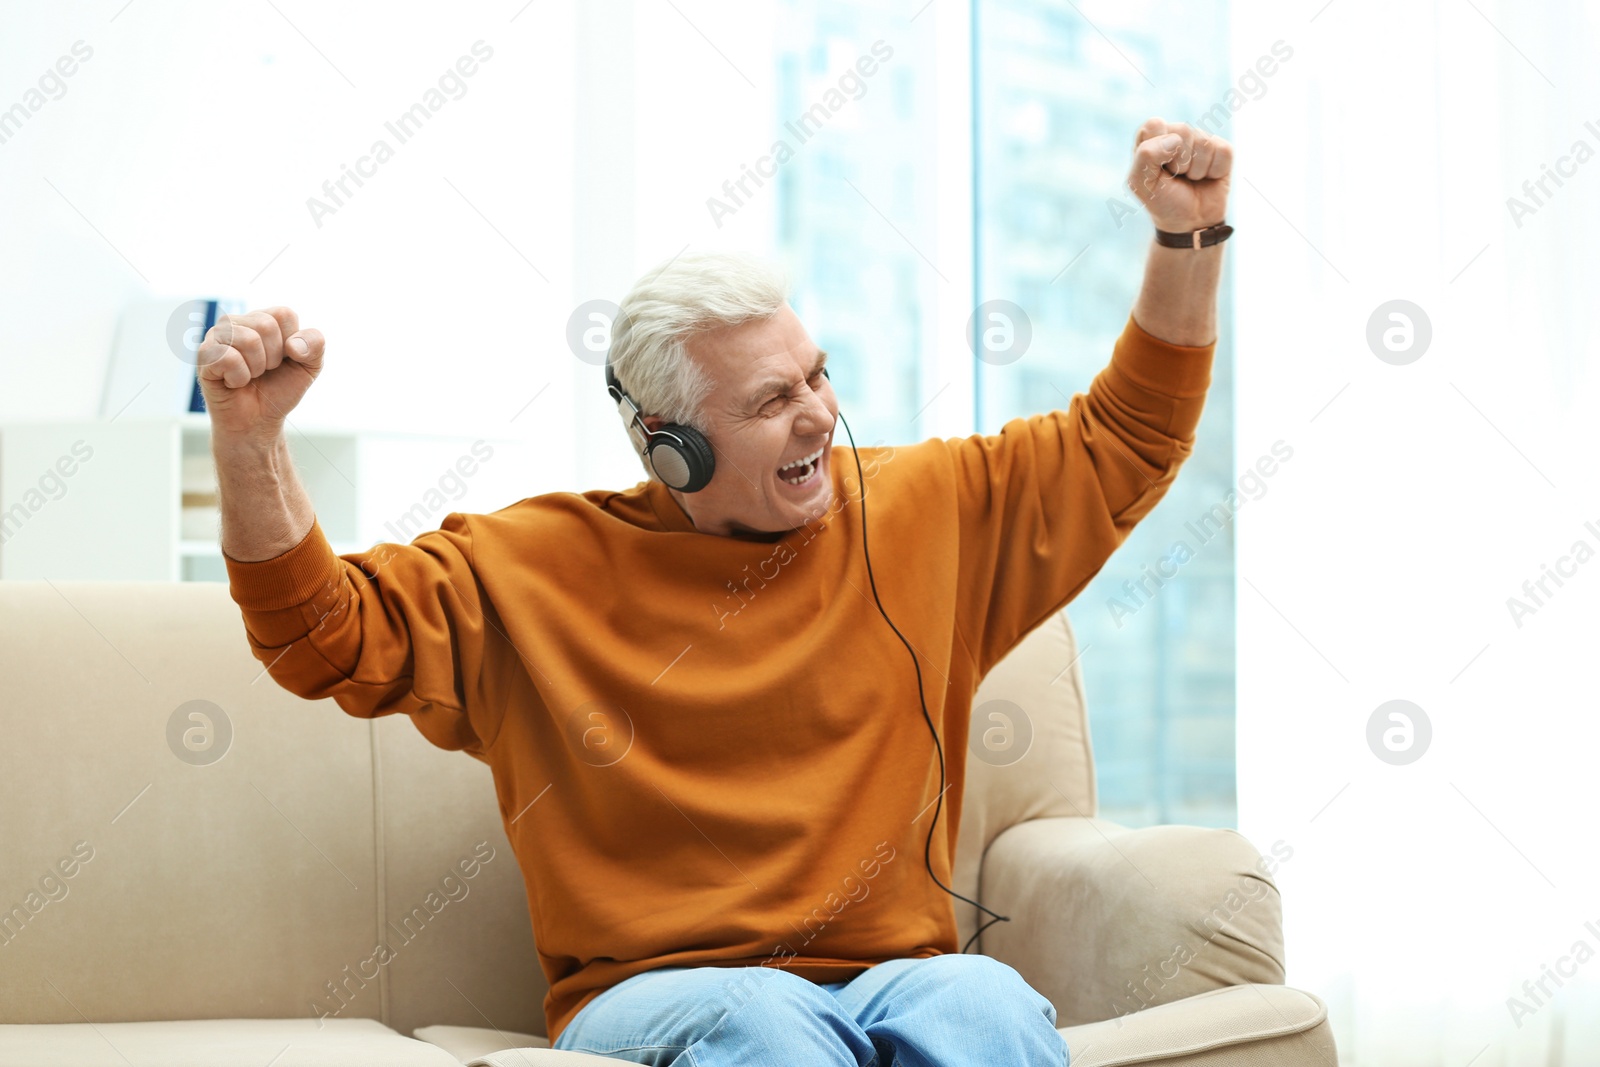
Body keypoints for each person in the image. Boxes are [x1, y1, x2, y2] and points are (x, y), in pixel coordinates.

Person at [202, 116, 1231, 1066]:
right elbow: (316, 635)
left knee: (983, 1000)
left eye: (816, 376)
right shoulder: (526, 568)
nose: (820, 415)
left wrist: (1187, 242)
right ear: (674, 448)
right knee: (764, 1021)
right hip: (657, 992)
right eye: (773, 400)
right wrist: (249, 441)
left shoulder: (924, 511)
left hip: (894, 977)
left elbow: (1126, 441)